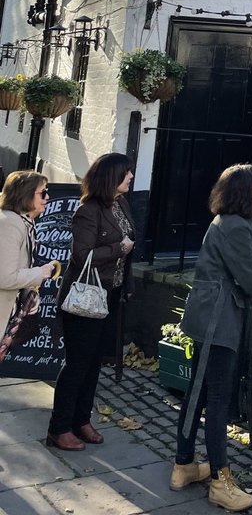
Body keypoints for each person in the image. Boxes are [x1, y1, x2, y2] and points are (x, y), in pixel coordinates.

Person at [173, 163, 252, 512]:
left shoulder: (225, 223)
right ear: (246, 190)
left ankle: (183, 465)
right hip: (219, 321)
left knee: (197, 392)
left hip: (208, 314)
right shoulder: (236, 228)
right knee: (218, 399)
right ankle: (220, 481)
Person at [47, 153, 135, 452]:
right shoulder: (89, 210)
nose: (131, 176)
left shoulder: (120, 204)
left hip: (110, 294)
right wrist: (117, 248)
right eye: (126, 173)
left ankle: (81, 420)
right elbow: (81, 256)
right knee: (77, 364)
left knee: (95, 362)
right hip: (86, 296)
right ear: (111, 177)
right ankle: (59, 428)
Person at [0, 171, 58, 340]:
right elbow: (5, 277)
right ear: (25, 195)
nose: (47, 197)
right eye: (43, 193)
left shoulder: (23, 222)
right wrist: (40, 274)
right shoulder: (10, 223)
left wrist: (29, 293)